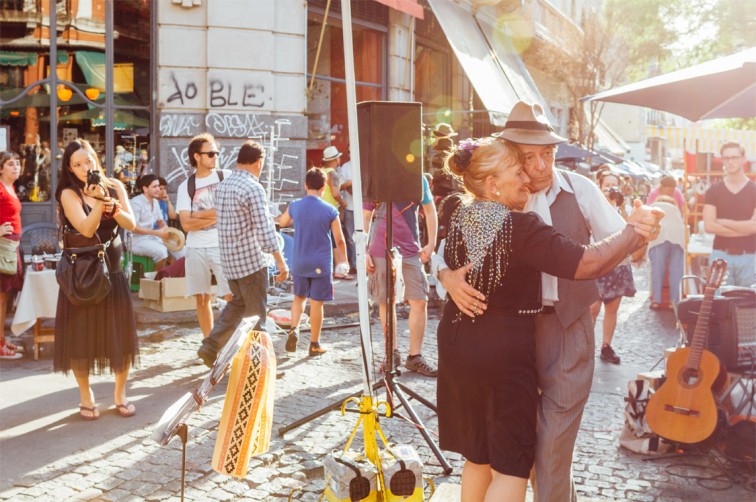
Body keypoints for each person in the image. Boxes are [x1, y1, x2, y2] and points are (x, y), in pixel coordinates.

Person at [433, 101, 661, 501]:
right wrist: (447, 278)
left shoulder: (580, 190)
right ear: (506, 161)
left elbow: (626, 249)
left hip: (561, 325)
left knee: (548, 449)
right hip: (510, 338)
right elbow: (442, 257)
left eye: (549, 153)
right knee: (507, 452)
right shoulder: (505, 209)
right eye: (529, 158)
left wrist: (640, 232)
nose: (539, 167)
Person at [54, 139, 138, 420]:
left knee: (120, 338)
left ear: (95, 159)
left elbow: (131, 224)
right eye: (76, 164)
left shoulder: (114, 185)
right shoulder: (68, 193)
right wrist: (100, 203)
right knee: (80, 340)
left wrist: (109, 201)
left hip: (112, 273)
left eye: (87, 161)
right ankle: (86, 395)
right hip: (83, 275)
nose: (83, 168)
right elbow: (87, 230)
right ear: (69, 168)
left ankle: (119, 393)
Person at [197, 141, 288, 368]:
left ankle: (210, 346)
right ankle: (259, 368)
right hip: (251, 263)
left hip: (230, 263)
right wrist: (280, 260)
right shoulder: (253, 188)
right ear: (259, 162)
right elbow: (265, 230)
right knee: (257, 318)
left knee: (237, 305)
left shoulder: (224, 186)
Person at [363, 174, 438, 376]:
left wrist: (432, 243)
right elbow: (366, 216)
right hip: (380, 248)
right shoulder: (376, 176)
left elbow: (430, 211)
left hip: (410, 249)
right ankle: (392, 352)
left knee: (419, 300)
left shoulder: (417, 177)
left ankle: (415, 357)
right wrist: (364, 250)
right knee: (386, 302)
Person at [277, 168, 349, 357]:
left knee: (298, 298)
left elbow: (282, 222)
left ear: (305, 185)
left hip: (299, 260)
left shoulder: (295, 205)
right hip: (321, 263)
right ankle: (314, 344)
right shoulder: (330, 210)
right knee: (317, 303)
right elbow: (339, 239)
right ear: (324, 187)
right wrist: (344, 260)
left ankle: (294, 329)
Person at [176, 133, 233, 339]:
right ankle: (209, 342)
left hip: (223, 247)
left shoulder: (226, 177)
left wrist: (198, 214)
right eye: (210, 153)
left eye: (216, 153)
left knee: (231, 296)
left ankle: (229, 339)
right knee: (201, 298)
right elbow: (185, 224)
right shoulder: (186, 186)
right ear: (197, 157)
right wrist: (216, 216)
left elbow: (230, 209)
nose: (215, 156)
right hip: (195, 248)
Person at [590, 170, 639, 365]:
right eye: (606, 185)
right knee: (592, 308)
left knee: (612, 307)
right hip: (596, 262)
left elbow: (630, 229)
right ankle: (586, 348)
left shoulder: (621, 208)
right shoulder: (593, 206)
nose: (610, 189)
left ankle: (606, 346)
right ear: (599, 188)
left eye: (613, 185)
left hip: (618, 263)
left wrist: (621, 206)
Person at [703, 142, 756, 287]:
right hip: (720, 255)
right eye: (726, 158)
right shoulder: (713, 191)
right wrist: (745, 228)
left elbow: (754, 228)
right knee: (720, 305)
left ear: (744, 158)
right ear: (722, 160)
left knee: (748, 306)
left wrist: (722, 222)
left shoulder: (754, 190)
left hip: (750, 256)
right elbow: (709, 226)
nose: (730, 161)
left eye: (735, 157)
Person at [129, 174, 183, 270]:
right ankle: (156, 280)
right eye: (155, 187)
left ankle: (173, 280)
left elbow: (160, 221)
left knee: (180, 249)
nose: (158, 189)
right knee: (161, 252)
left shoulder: (155, 202)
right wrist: (156, 233)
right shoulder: (136, 203)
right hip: (135, 241)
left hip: (151, 238)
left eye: (158, 186)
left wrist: (167, 230)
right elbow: (133, 228)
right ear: (145, 189)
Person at [0, 151, 24, 360]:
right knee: (0, 298)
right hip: (2, 247)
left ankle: (2, 339)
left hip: (11, 247)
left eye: (17, 163)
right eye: (10, 164)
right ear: (1, 168)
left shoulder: (11, 187)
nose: (16, 167)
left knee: (5, 298)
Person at [648, 192, 686, 309]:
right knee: (676, 271)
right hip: (677, 237)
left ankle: (656, 300)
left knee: (657, 269)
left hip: (660, 237)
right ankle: (674, 301)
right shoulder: (675, 209)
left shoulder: (654, 206)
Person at [338, 155, 357, 274]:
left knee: (366, 237)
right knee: (350, 238)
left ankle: (364, 262)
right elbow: (339, 186)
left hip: (364, 207)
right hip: (350, 206)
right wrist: (348, 184)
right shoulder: (345, 167)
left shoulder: (366, 164)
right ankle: (354, 264)